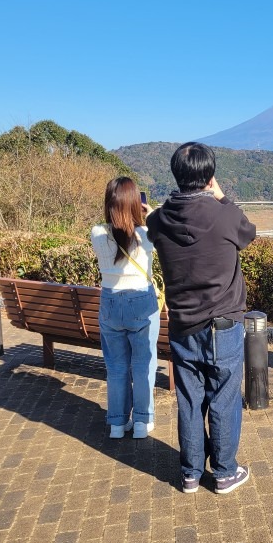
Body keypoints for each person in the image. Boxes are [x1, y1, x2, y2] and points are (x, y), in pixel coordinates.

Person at [147, 142, 256, 494]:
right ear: (209, 177)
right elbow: (248, 233)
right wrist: (221, 197)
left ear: (177, 176)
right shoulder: (224, 216)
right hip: (223, 322)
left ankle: (191, 473)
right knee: (223, 397)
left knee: (190, 400)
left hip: (182, 326)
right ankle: (224, 473)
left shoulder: (159, 221)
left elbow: (150, 223)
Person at [91, 177, 160, 438]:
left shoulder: (97, 232)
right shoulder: (145, 235)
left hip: (110, 301)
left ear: (108, 203)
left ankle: (118, 425)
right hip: (141, 300)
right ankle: (142, 422)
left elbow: (114, 231)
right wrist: (150, 212)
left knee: (117, 367)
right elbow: (157, 231)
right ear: (134, 204)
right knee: (143, 364)